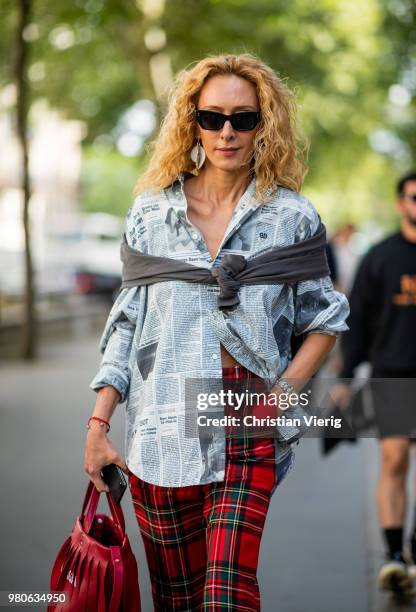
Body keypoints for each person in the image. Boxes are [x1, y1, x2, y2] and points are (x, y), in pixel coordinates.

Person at [84, 53, 349, 611]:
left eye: (244, 119)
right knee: (177, 599)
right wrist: (99, 423)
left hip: (248, 430)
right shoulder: (151, 215)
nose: (227, 132)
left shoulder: (291, 218)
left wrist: (283, 395)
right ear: (192, 121)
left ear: (264, 124)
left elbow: (326, 318)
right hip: (161, 433)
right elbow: (126, 324)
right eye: (212, 117)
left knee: (227, 595)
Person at [338, 170, 416, 598]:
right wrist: (345, 375)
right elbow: (356, 319)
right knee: (394, 460)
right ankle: (394, 554)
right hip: (393, 375)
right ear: (401, 204)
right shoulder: (380, 257)